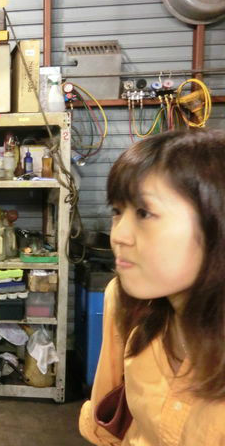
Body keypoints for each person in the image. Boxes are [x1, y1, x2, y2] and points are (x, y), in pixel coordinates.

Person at [79, 129, 225, 445]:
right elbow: (108, 421)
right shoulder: (126, 300)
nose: (118, 235)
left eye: (144, 213)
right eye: (117, 212)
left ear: (217, 224)